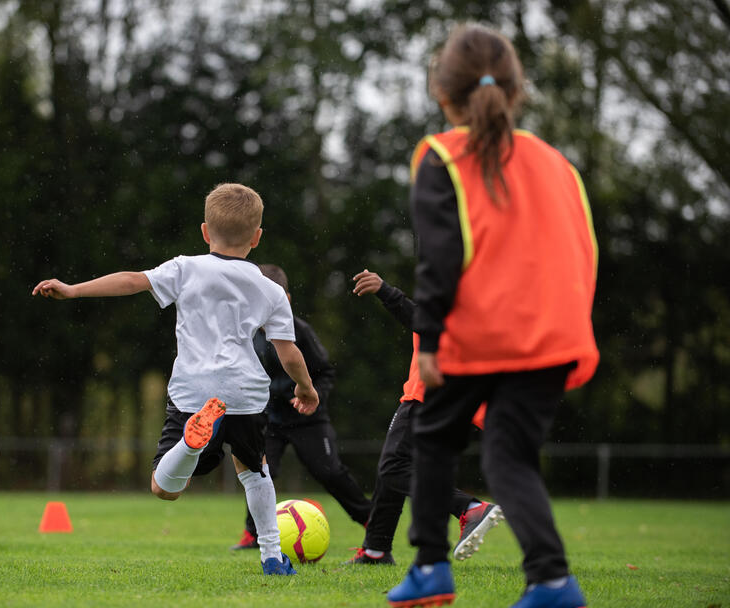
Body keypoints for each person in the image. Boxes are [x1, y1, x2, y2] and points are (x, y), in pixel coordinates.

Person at [384, 24, 599, 608]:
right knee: (511, 461)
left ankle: (429, 569)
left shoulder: (441, 155)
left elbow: (439, 259)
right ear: (517, 89)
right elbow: (583, 250)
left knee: (432, 439)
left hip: (480, 336)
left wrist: (430, 340)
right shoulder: (557, 162)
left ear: (439, 90)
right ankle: (552, 582)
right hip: (554, 334)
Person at [32, 183, 320, 575]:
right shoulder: (271, 289)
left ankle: (188, 443)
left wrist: (74, 290)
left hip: (194, 392)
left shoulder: (186, 267)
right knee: (255, 470)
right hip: (246, 393)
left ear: (205, 232)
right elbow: (288, 352)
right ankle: (271, 555)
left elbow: (133, 280)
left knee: (164, 488)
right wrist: (306, 388)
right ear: (257, 237)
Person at [343, 269, 501, 565]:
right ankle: (376, 550)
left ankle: (468, 507)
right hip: (455, 405)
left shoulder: (457, 288)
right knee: (393, 470)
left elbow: (425, 323)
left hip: (425, 396)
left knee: (392, 469)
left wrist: (385, 290)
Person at [229, 264, 371, 551]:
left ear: (287, 300)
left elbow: (325, 373)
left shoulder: (300, 332)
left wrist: (310, 393)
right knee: (258, 470)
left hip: (308, 418)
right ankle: (252, 534)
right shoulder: (245, 332)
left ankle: (372, 521)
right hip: (267, 418)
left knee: (329, 472)